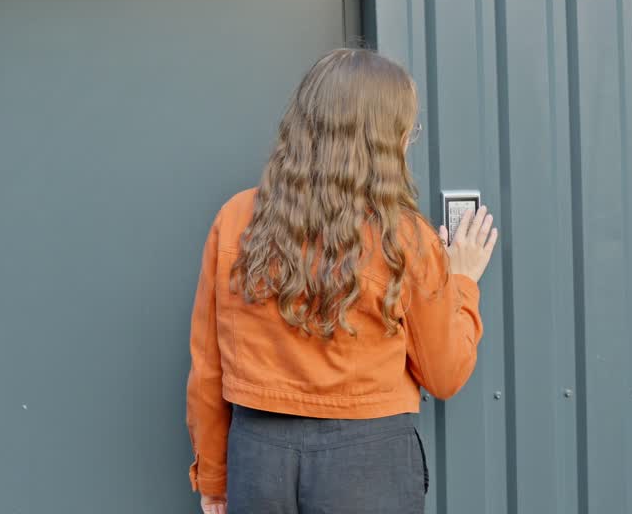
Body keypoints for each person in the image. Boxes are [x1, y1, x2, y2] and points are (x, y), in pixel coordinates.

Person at [185, 48, 497, 514]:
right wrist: (463, 281)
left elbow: (207, 367)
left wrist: (213, 476)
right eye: (406, 130)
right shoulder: (406, 238)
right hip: (369, 460)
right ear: (385, 140)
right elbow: (445, 374)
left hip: (259, 456)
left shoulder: (236, 219)